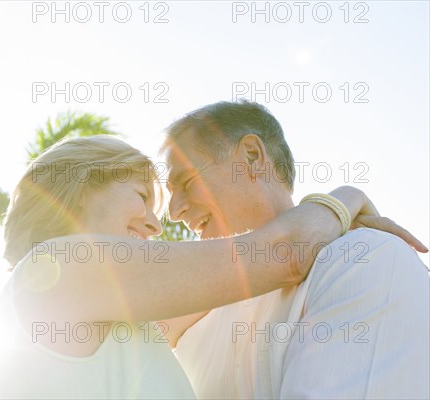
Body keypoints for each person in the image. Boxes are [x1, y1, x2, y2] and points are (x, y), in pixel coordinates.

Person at [0, 134, 420, 399]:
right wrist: (346, 198)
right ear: (81, 184)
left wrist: (329, 231)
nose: (155, 222)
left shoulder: (113, 321)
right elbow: (283, 254)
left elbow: (239, 283)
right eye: (142, 195)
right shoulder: (61, 268)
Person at [162, 100, 430, 399]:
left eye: (186, 181)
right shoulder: (193, 320)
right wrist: (341, 200)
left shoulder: (365, 259)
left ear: (251, 157)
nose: (173, 212)